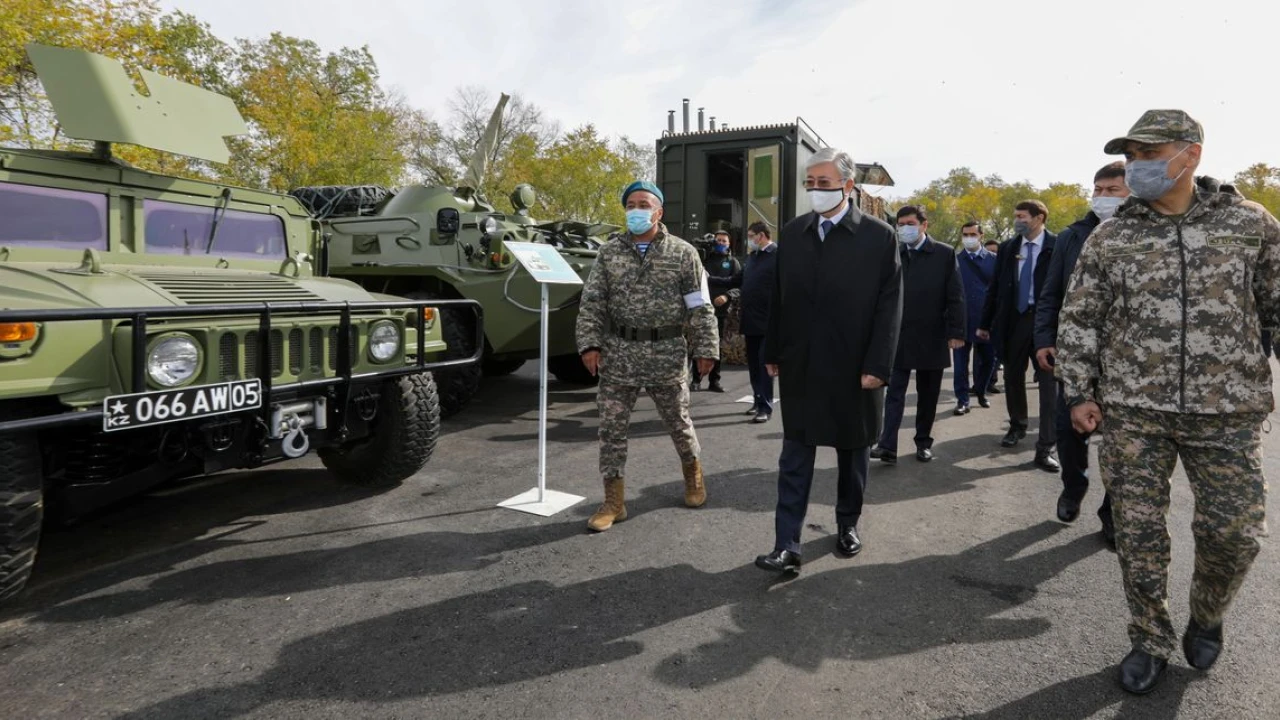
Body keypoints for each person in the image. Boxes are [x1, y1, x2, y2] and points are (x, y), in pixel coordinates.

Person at [1058, 109, 1280, 694]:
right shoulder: (1114, 235)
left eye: (1150, 156)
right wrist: (1079, 391)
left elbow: (1278, 303)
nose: (1138, 169)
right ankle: (1149, 637)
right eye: (1131, 157)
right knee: (1138, 532)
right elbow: (1081, 318)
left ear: (1192, 156)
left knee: (1235, 534)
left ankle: (1207, 615)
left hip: (1228, 410)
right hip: (1135, 410)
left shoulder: (1249, 222)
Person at [754, 147, 902, 574]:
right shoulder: (795, 232)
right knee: (794, 456)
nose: (816, 191)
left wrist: (878, 366)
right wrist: (774, 350)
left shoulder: (878, 237)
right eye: (811, 183)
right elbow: (780, 298)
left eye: (824, 183)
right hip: (802, 365)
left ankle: (847, 524)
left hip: (856, 369)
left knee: (852, 453)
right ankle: (786, 543)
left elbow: (889, 308)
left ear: (848, 185)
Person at [575, 180, 720, 532]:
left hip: (666, 353)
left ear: (659, 211)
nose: (636, 210)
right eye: (630, 204)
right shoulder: (609, 252)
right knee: (611, 430)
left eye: (643, 204)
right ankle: (614, 501)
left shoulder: (683, 253)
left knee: (679, 424)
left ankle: (693, 477)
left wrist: (706, 348)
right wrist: (589, 344)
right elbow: (593, 302)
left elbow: (700, 306)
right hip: (620, 353)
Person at [1034, 161, 1129, 547]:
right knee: (1069, 430)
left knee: (1124, 443)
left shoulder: (1148, 235)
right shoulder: (1074, 236)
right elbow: (1050, 293)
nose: (1102, 197)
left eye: (1113, 190)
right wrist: (1043, 337)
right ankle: (1073, 488)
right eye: (1099, 189)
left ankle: (1112, 512)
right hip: (1075, 355)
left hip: (1129, 362)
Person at [870, 206, 965, 463]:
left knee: (928, 394)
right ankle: (887, 445)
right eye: (900, 224)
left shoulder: (944, 254)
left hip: (931, 334)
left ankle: (923, 442)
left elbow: (955, 295)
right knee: (894, 392)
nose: (904, 228)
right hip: (899, 335)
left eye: (910, 223)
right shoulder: (895, 253)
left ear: (924, 225)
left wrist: (956, 332)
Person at [978, 200, 1059, 472]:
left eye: (1022, 217)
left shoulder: (1057, 246)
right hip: (1014, 321)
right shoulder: (1010, 248)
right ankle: (1017, 426)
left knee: (1050, 384)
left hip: (1047, 323)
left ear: (1039, 218)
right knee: (1013, 377)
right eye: (1016, 216)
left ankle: (1047, 445)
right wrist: (985, 322)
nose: (1017, 221)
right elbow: (996, 286)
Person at [953, 221, 998, 414]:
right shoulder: (954, 260)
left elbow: (999, 290)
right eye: (965, 234)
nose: (968, 238)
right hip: (961, 320)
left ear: (981, 235)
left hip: (986, 320)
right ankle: (962, 400)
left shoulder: (994, 260)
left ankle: (980, 391)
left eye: (972, 234)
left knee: (989, 360)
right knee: (960, 364)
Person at [690, 230, 741, 393]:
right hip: (702, 309)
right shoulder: (705, 259)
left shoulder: (733, 262)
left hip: (721, 310)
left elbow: (739, 285)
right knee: (698, 344)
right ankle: (696, 379)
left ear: (729, 243)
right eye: (718, 240)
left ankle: (715, 381)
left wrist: (727, 296)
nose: (720, 243)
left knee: (715, 345)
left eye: (724, 241)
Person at [736, 221, 777, 423]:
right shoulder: (753, 258)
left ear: (761, 236)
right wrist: (707, 278)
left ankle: (766, 407)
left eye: (751, 236)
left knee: (764, 365)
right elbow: (737, 280)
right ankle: (757, 399)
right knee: (753, 365)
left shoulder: (777, 256)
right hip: (750, 320)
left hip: (768, 322)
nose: (749, 240)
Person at [982, 237, 1004, 396]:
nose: (992, 255)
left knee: (995, 353)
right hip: (983, 314)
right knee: (981, 355)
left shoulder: (1003, 268)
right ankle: (981, 383)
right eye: (989, 251)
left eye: (995, 252)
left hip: (999, 315)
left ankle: (991, 381)